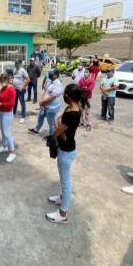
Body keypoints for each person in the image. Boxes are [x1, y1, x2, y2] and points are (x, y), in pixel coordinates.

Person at [47, 84, 87, 224]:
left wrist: (55, 121)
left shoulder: (72, 113)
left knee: (65, 182)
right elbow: (62, 131)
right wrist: (60, 123)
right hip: (67, 146)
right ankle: (62, 198)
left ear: (69, 96)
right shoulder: (73, 107)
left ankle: (63, 213)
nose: (63, 96)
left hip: (66, 150)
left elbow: (57, 132)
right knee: (64, 179)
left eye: (65, 94)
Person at [29, 69, 64, 137]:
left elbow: (52, 97)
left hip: (52, 108)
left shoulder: (58, 84)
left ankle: (51, 136)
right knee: (40, 117)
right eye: (50, 73)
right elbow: (45, 91)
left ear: (56, 75)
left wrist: (42, 102)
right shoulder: (50, 82)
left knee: (51, 123)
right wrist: (41, 100)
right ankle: (36, 130)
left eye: (52, 74)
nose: (50, 75)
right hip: (45, 106)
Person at [0, 70, 18, 163]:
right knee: (2, 131)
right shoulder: (3, 88)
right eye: (0, 81)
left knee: (7, 133)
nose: (1, 83)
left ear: (7, 80)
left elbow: (11, 104)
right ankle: (4, 146)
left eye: (3, 81)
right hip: (0, 112)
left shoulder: (11, 89)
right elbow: (0, 98)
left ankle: (13, 152)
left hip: (7, 113)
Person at [77, 64, 98, 130]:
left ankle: (88, 124)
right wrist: (83, 88)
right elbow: (78, 87)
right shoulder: (81, 80)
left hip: (87, 98)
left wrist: (82, 88)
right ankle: (81, 122)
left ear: (90, 73)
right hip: (80, 97)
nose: (85, 73)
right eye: (85, 72)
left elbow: (89, 90)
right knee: (80, 110)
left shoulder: (92, 81)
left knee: (87, 111)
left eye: (87, 72)